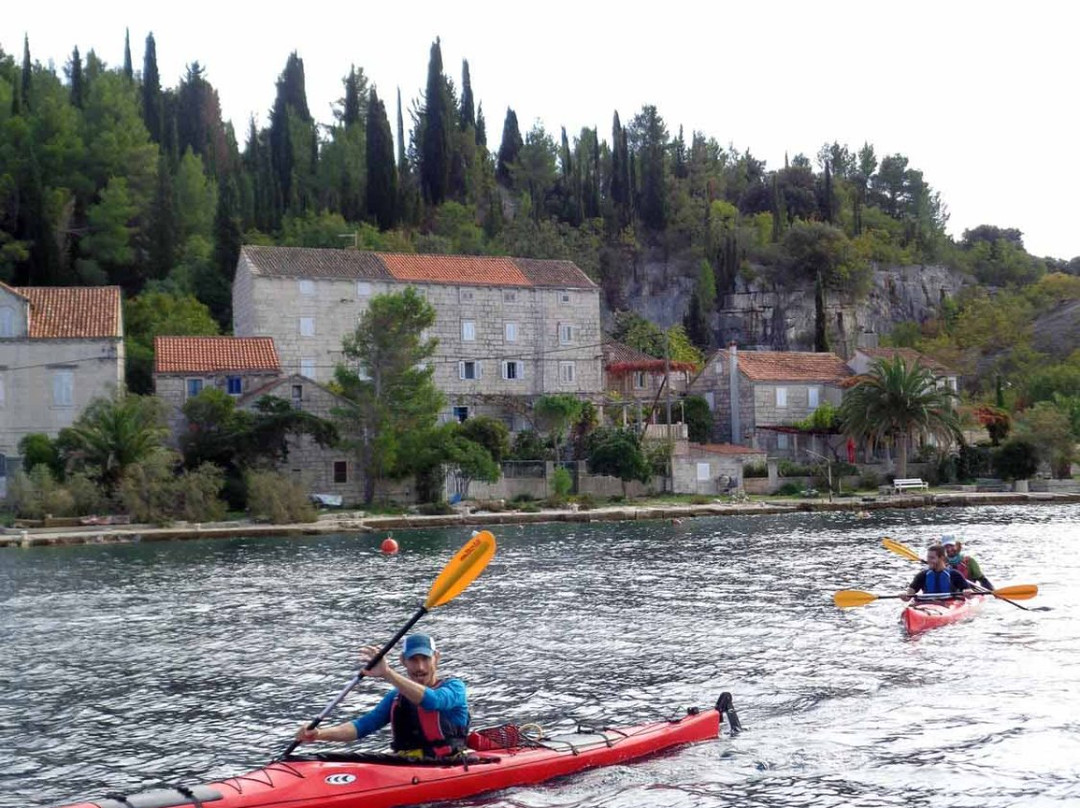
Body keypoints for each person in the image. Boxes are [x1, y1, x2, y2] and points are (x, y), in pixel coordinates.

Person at [296, 633, 469, 758]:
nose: (420, 667)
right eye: (413, 660)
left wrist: (387, 673)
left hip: (448, 764)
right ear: (403, 661)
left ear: (436, 658)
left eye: (425, 659)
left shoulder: (455, 688)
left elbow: (433, 701)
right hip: (406, 765)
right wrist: (319, 734)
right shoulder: (396, 697)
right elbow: (363, 725)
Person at [902, 544, 973, 600]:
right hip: (927, 605)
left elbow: (970, 595)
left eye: (932, 558)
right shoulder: (922, 575)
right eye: (928, 557)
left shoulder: (954, 574)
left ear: (942, 558)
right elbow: (908, 596)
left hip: (949, 604)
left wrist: (968, 592)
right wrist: (904, 595)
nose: (928, 560)